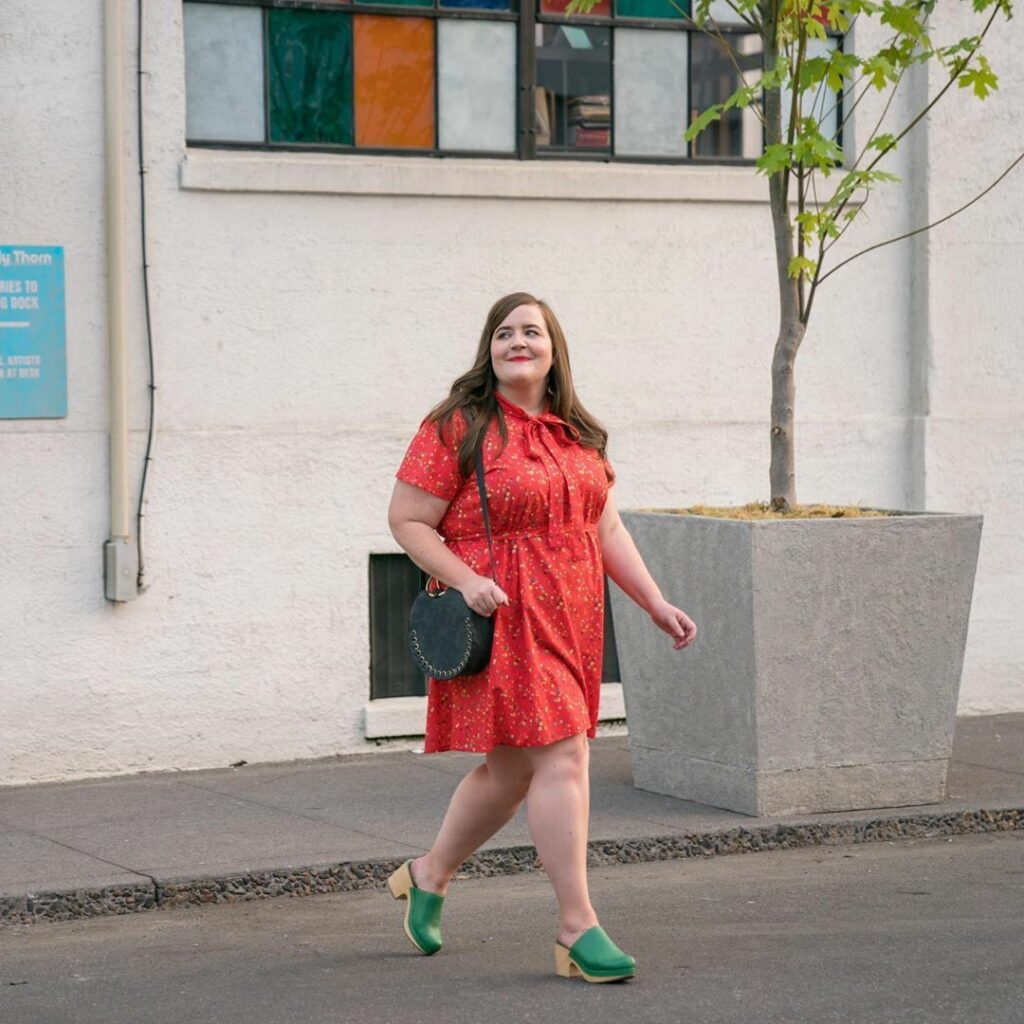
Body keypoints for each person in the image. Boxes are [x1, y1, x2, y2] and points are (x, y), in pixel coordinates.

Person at [386, 291, 697, 983]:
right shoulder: (457, 426)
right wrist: (466, 580)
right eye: (504, 333)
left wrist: (653, 601)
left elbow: (605, 528)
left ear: (554, 349)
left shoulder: (574, 432)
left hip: (571, 615)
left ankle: (428, 873)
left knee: (511, 773)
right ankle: (576, 928)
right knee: (563, 758)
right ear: (488, 350)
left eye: (532, 331)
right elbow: (407, 521)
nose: (517, 341)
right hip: (504, 616)